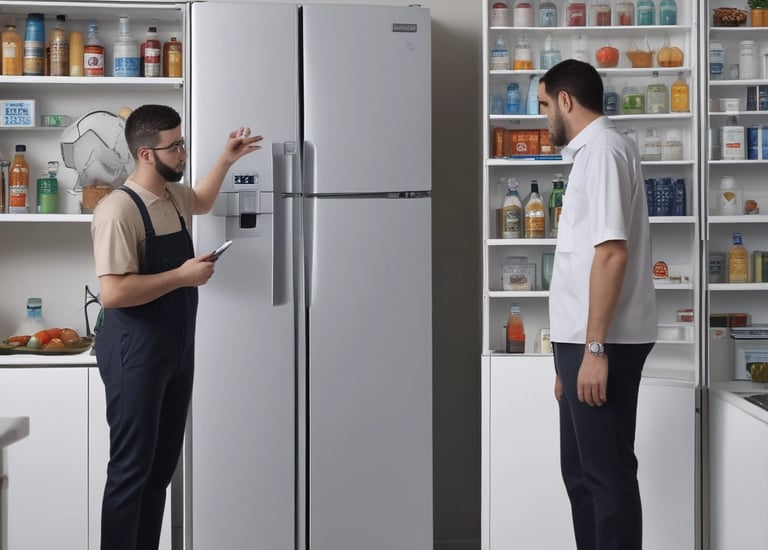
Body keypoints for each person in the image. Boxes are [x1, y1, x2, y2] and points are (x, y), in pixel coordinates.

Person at [90, 104, 262, 550]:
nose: (184, 153)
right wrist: (182, 277)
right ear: (147, 154)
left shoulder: (172, 196)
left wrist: (227, 157)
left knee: (160, 470)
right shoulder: (117, 211)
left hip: (175, 349)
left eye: (183, 143)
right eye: (176, 146)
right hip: (135, 351)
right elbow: (113, 293)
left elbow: (202, 201)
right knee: (130, 471)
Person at [537, 59, 657, 550]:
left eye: (544, 105)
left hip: (602, 343)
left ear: (566, 101)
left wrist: (594, 349)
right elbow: (583, 259)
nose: (543, 117)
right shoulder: (590, 154)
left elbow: (611, 254)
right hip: (580, 344)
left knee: (606, 479)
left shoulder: (604, 152)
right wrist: (567, 357)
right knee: (582, 477)